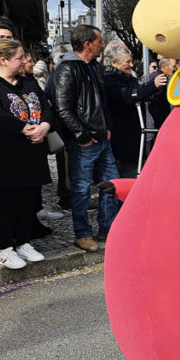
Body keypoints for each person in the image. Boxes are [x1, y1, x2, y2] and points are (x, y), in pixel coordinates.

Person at [0, 39, 53, 270]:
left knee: (28, 199)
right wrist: (24, 128)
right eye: (19, 58)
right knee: (5, 203)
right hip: (2, 156)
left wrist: (44, 126)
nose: (25, 61)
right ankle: (3, 248)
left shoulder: (28, 82)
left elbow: (47, 106)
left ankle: (24, 242)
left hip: (32, 152)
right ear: (3, 60)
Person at [52, 24, 120, 253]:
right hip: (84, 142)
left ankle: (107, 229)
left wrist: (107, 128)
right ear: (87, 44)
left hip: (101, 139)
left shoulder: (94, 66)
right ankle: (82, 234)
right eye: (99, 41)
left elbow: (102, 102)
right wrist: (82, 136)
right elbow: (63, 108)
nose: (103, 45)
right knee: (81, 189)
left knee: (111, 184)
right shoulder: (67, 69)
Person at [102, 43, 166, 178]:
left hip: (135, 137)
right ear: (113, 63)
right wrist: (153, 85)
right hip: (123, 139)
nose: (131, 65)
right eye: (127, 62)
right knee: (129, 174)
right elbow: (128, 95)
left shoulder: (127, 77)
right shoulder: (108, 80)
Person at [148, 58, 175, 129]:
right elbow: (157, 97)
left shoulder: (157, 75)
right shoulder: (161, 78)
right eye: (173, 66)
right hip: (159, 115)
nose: (174, 69)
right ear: (164, 67)